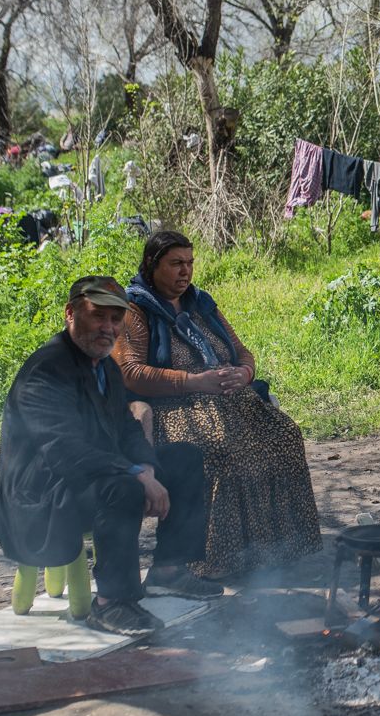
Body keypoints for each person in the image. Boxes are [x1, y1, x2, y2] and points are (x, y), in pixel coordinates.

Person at [0, 276, 221, 638]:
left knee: (184, 458)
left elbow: (126, 428)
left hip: (85, 477)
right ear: (70, 314)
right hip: (39, 494)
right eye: (98, 316)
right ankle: (111, 603)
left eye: (115, 318)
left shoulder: (105, 366)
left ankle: (169, 570)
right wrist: (135, 475)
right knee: (122, 488)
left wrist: (146, 467)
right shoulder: (47, 370)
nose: (108, 327)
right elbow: (64, 451)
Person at [113, 231, 323, 579]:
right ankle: (216, 558)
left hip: (229, 400)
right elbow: (131, 372)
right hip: (174, 406)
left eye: (190, 263)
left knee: (284, 434)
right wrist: (195, 381)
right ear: (152, 264)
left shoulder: (200, 303)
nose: (185, 271)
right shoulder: (135, 309)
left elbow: (241, 351)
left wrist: (244, 373)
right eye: (176, 263)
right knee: (220, 447)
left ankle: (275, 548)